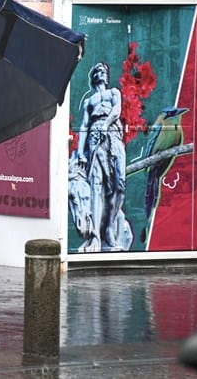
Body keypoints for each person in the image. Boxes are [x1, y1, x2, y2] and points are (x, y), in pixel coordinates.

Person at [74, 62, 127, 252]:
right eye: (98, 71)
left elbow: (117, 110)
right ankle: (95, 236)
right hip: (95, 139)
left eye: (104, 71)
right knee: (96, 186)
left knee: (119, 184)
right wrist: (81, 151)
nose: (102, 73)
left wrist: (107, 124)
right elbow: (84, 126)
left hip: (112, 135)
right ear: (93, 77)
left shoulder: (113, 92)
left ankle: (110, 227)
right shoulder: (90, 102)